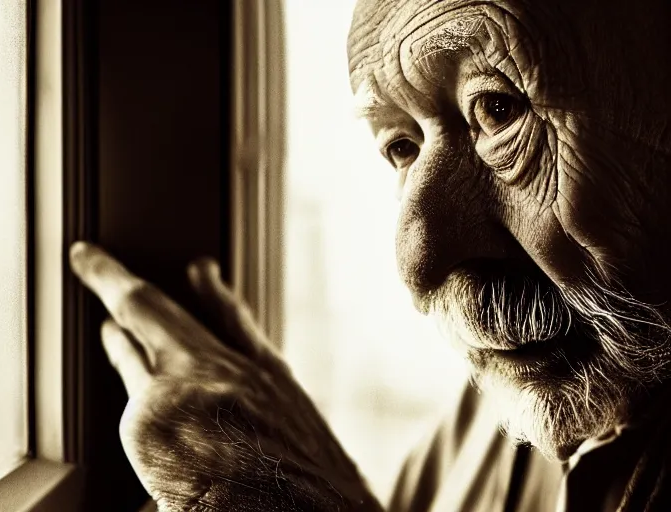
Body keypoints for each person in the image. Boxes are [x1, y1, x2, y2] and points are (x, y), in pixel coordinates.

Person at [69, 0, 671, 509]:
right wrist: (319, 477)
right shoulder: (498, 417)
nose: (418, 261)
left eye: (499, 109)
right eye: (403, 146)